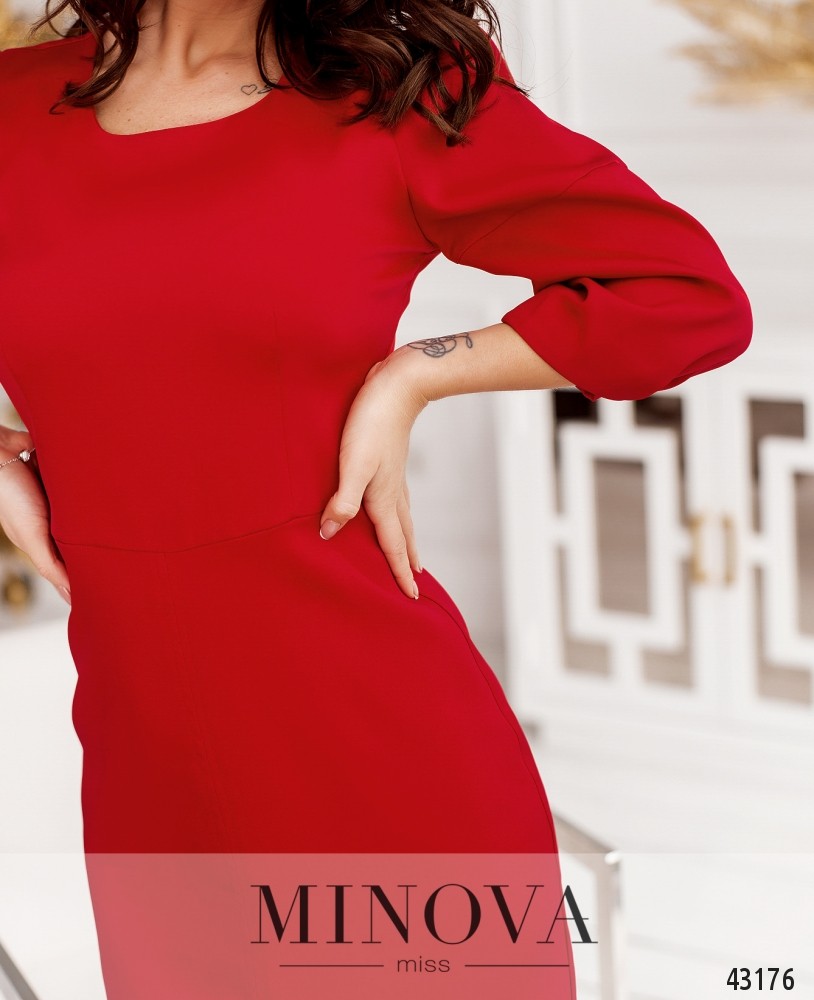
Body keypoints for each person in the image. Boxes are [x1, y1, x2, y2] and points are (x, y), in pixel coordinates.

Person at [0, 0, 752, 996]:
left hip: (385, 758)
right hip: (151, 782)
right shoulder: (13, 106)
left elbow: (686, 297)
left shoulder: (395, 96)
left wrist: (418, 372)